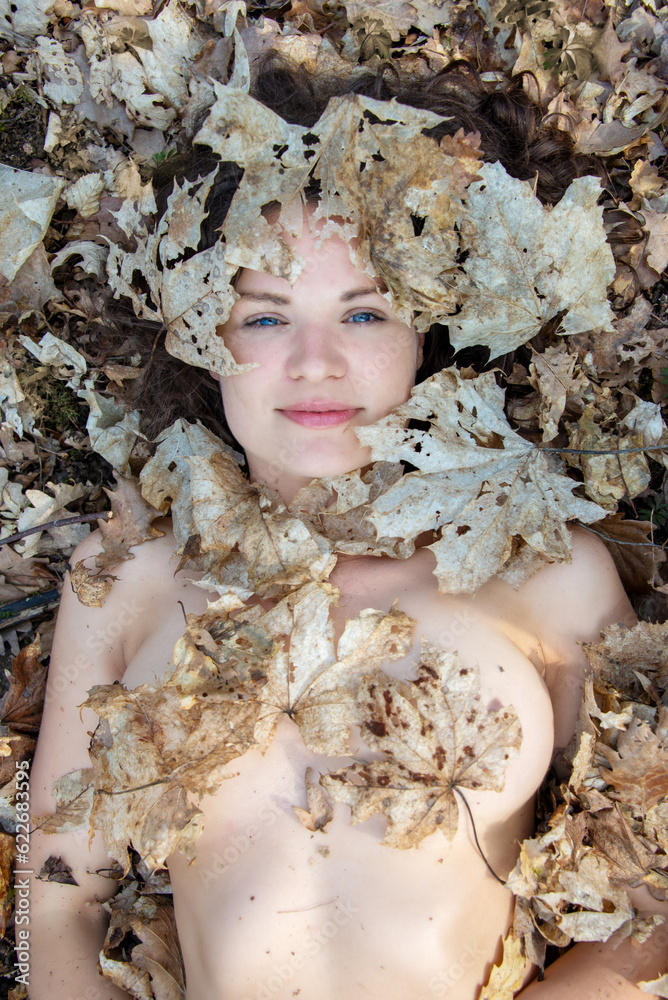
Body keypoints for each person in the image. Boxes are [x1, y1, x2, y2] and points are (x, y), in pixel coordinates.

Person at [29, 53, 667, 1000]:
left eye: (365, 313)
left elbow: (653, 888)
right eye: (265, 318)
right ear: (203, 342)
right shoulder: (128, 577)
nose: (316, 364)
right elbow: (56, 901)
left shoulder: (547, 576)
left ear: (430, 333)